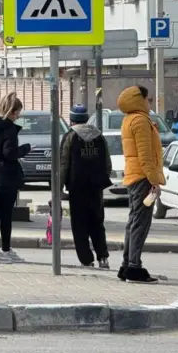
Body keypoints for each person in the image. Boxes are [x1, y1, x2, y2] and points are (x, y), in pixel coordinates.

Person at [117, 85, 164, 283]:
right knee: (140, 224)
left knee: (134, 221)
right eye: (148, 99)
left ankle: (127, 264)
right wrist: (154, 181)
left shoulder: (131, 119)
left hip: (134, 176)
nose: (149, 102)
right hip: (143, 178)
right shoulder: (140, 121)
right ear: (139, 99)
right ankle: (134, 267)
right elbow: (145, 156)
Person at [60, 103, 112, 269]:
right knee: (97, 223)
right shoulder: (99, 136)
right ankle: (103, 257)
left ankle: (86, 260)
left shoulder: (70, 137)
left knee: (79, 224)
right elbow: (107, 163)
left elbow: (63, 165)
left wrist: (58, 188)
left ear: (72, 120)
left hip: (77, 187)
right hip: (96, 187)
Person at [0, 92, 30, 263]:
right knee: (6, 215)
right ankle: (6, 250)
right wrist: (25, 149)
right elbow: (10, 153)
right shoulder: (8, 128)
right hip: (6, 176)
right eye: (17, 112)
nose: (18, 116)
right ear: (11, 111)